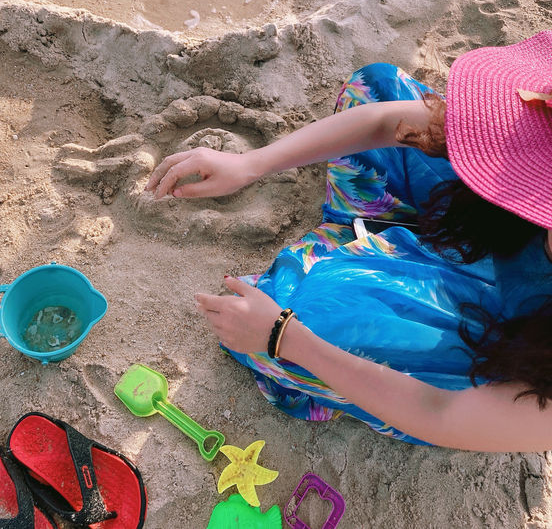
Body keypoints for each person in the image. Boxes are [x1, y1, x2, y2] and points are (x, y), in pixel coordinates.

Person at [146, 32, 552, 450]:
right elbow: (384, 121)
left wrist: (282, 336)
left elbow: (443, 414)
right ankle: (368, 230)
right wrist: (251, 163)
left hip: (517, 334)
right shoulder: (535, 140)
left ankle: (362, 253)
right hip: (491, 242)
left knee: (308, 314)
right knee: (373, 88)